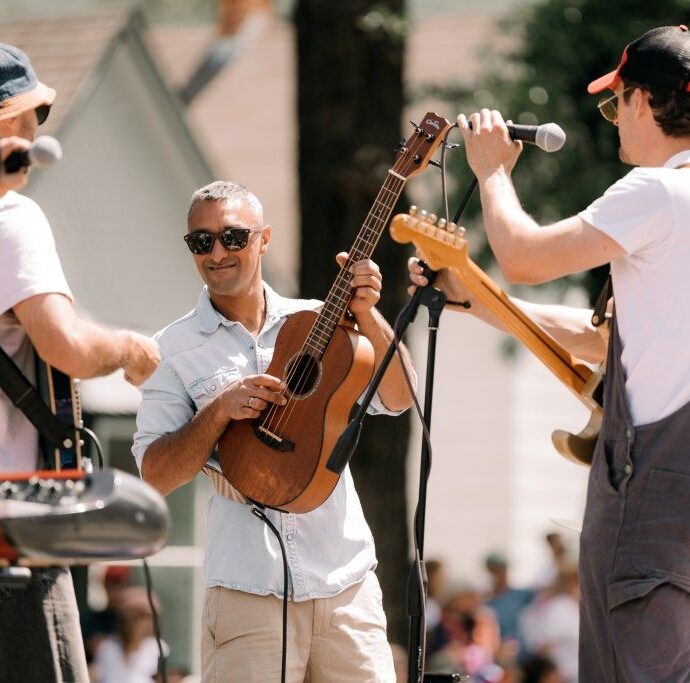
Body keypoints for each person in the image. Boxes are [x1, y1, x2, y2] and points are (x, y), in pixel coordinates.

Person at [408, 24, 690, 682]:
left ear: (642, 101)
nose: (614, 119)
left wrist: (493, 173)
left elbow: (525, 257)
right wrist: (476, 298)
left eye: (614, 102)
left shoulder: (658, 192)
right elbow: (606, 339)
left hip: (651, 500)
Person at [133, 180, 416, 682]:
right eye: (201, 242)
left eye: (233, 237)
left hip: (346, 585)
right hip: (247, 591)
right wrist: (218, 410)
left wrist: (369, 316)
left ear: (264, 239)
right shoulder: (170, 350)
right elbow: (153, 477)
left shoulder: (321, 320)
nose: (217, 252)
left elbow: (399, 399)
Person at [0, 43, 160, 682]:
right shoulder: (13, 218)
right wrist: (130, 348)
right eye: (35, 117)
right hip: (12, 545)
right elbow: (63, 345)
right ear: (10, 125)